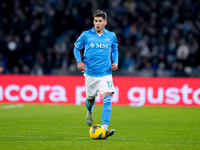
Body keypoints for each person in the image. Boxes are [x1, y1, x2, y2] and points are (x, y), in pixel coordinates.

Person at [73, 9, 118, 139]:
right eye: (95, 21)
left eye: (100, 21)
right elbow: (76, 48)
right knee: (90, 99)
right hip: (90, 74)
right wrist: (79, 61)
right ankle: (89, 110)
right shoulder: (86, 35)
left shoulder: (111, 36)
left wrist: (115, 62)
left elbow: (115, 49)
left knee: (108, 99)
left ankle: (104, 128)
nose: (97, 23)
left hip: (105, 73)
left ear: (105, 22)